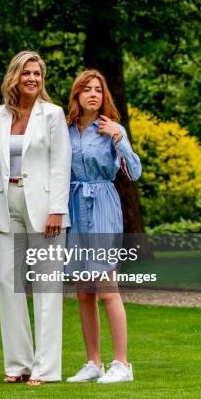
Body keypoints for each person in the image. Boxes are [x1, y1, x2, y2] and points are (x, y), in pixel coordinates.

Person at [0, 51, 71, 386]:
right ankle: (18, 364)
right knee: (8, 284)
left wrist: (57, 210)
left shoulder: (52, 114)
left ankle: (46, 369)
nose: (32, 78)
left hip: (45, 207)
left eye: (37, 73)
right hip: (7, 203)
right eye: (26, 73)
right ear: (14, 78)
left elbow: (61, 163)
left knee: (47, 287)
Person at [64, 69, 142, 384]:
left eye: (98, 89)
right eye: (87, 90)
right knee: (84, 293)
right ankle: (93, 362)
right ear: (77, 96)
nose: (93, 94)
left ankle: (122, 364)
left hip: (104, 206)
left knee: (107, 289)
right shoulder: (65, 129)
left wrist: (119, 139)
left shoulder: (111, 129)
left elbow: (134, 172)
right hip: (75, 207)